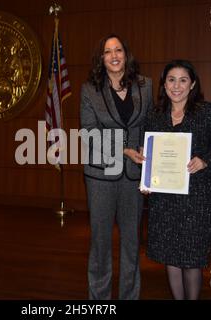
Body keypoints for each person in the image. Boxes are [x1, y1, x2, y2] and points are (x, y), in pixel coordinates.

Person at [143, 60, 211, 300]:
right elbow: (148, 151)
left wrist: (204, 160)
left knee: (192, 256)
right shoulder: (154, 115)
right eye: (171, 79)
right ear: (164, 84)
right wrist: (148, 178)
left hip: (197, 196)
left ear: (192, 84)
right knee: (170, 256)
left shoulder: (208, 112)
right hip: (164, 197)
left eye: (183, 80)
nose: (176, 86)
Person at [80, 34, 153, 300]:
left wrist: (148, 149)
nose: (114, 55)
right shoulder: (90, 89)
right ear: (102, 58)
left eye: (118, 49)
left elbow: (150, 125)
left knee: (132, 243)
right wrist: (123, 150)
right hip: (100, 175)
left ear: (126, 54)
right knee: (100, 243)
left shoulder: (145, 85)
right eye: (108, 51)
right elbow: (88, 132)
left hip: (134, 175)